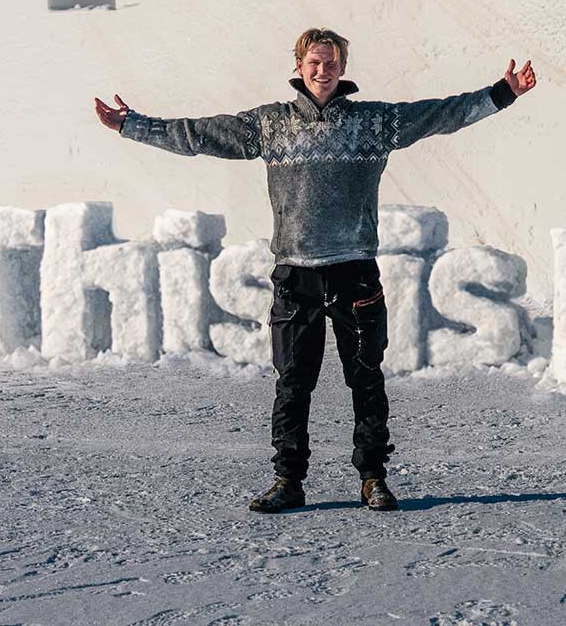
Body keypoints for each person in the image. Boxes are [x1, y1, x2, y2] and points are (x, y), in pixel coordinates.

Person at [93, 28, 538, 514]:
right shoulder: (271, 126)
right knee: (293, 382)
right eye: (313, 63)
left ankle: (373, 479)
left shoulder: (375, 122)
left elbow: (441, 114)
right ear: (299, 67)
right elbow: (198, 134)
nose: (322, 71)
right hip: (295, 277)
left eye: (330, 63)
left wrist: (503, 94)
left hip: (356, 274)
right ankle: (288, 480)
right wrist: (131, 126)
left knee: (366, 378)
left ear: (343, 68)